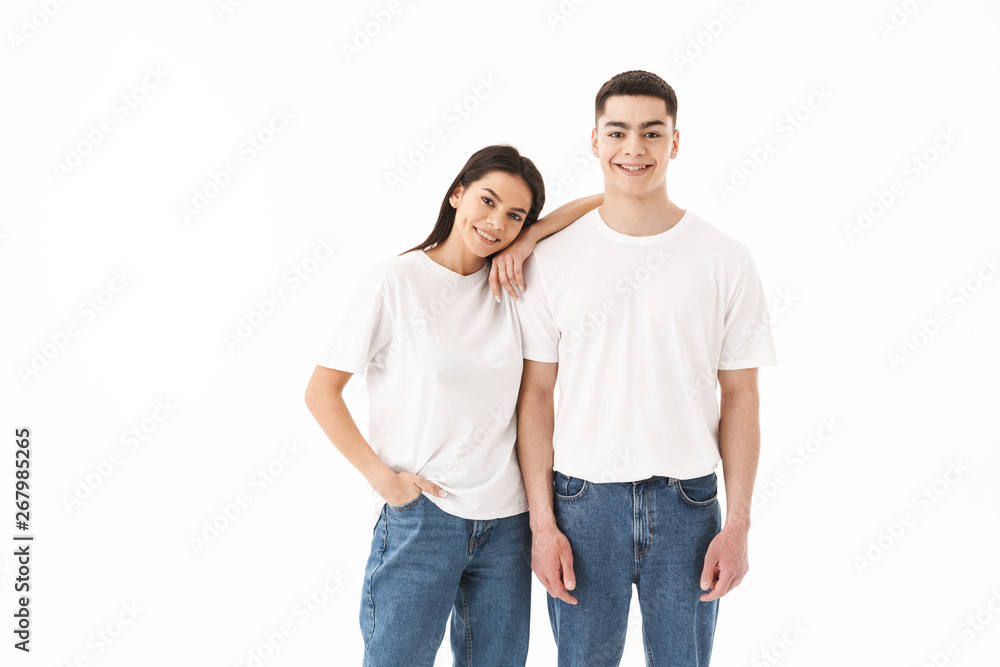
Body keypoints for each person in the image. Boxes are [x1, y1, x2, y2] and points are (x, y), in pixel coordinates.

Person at [514, 70, 778, 666]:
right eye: (619, 132)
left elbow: (741, 398)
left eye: (652, 133)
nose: (634, 148)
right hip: (581, 503)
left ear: (675, 143)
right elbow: (535, 397)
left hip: (689, 506)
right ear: (596, 140)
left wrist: (737, 525)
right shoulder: (551, 260)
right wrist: (542, 525)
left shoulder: (726, 260)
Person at [303, 144, 598, 666]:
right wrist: (385, 481)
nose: (495, 222)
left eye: (514, 215)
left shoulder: (512, 286)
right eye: (487, 201)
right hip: (423, 519)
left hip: (508, 524)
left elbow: (606, 201)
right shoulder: (393, 282)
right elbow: (321, 392)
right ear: (457, 193)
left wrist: (529, 239)